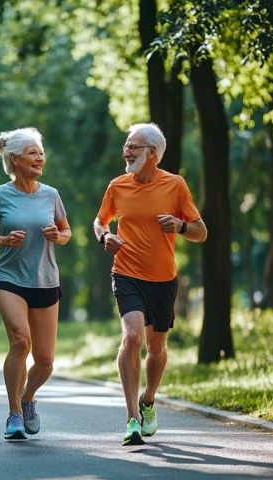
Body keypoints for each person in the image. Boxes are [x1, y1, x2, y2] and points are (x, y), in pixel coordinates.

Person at [93, 122, 207, 446]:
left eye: (133, 147)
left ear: (152, 154)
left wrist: (181, 226)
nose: (125, 152)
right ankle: (131, 418)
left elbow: (202, 231)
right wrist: (106, 237)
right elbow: (100, 221)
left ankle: (149, 401)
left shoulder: (176, 185)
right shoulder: (118, 186)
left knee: (156, 350)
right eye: (126, 146)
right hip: (126, 273)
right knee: (131, 337)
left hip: (163, 279)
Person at [0, 127, 71, 440]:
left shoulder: (50, 194)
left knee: (46, 361)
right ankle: (13, 414)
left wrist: (59, 236)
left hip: (45, 280)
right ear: (14, 159)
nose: (39, 158)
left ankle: (27, 400)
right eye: (32, 153)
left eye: (40, 153)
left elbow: (67, 232)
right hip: (9, 279)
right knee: (20, 342)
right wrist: (1, 239)